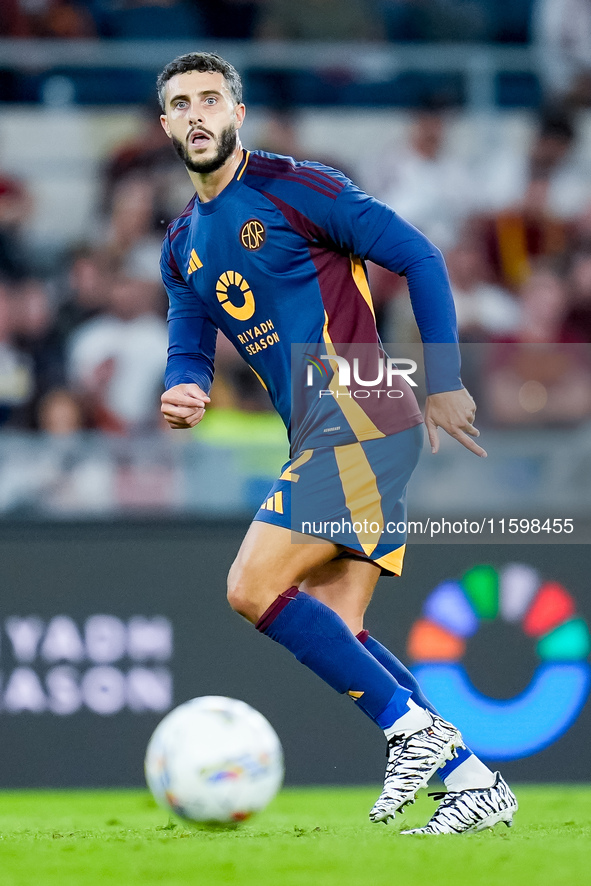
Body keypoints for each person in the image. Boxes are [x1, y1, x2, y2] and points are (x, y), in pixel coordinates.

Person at [156, 51, 518, 835]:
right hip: (324, 428)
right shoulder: (182, 243)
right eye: (181, 102)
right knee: (337, 629)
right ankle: (474, 783)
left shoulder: (297, 187)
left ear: (236, 111)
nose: (196, 113)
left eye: (210, 98)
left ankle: (413, 731)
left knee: (250, 587)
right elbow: (190, 345)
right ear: (165, 124)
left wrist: (447, 379)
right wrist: (184, 386)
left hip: (361, 405)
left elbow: (417, 255)